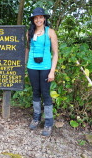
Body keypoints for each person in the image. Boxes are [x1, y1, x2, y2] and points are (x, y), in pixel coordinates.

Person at [25, 7, 58, 136]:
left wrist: (52, 71)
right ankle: (36, 117)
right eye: (36, 18)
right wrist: (25, 64)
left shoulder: (50, 32)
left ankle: (49, 122)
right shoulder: (29, 33)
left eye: (40, 17)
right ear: (33, 20)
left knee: (46, 94)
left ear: (44, 18)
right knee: (35, 92)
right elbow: (28, 49)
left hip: (45, 68)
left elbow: (55, 54)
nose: (38, 19)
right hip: (32, 67)